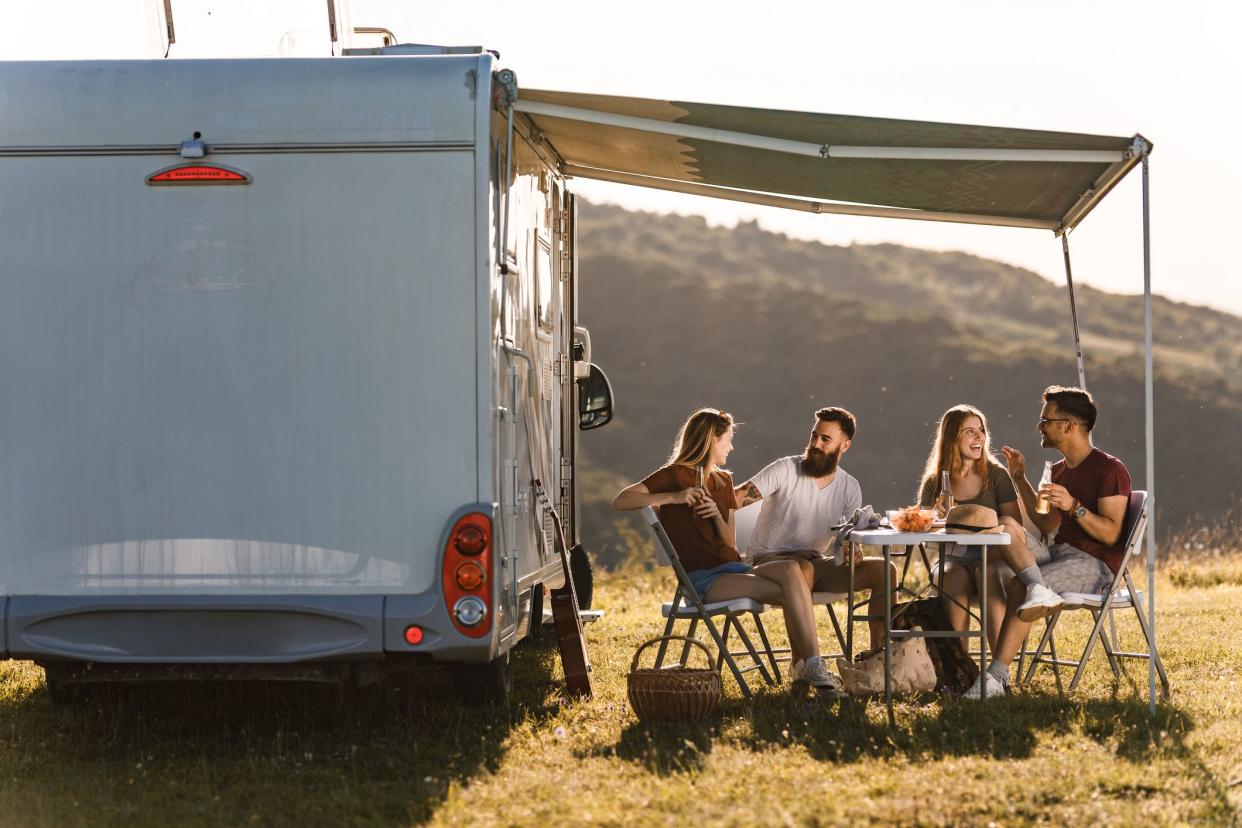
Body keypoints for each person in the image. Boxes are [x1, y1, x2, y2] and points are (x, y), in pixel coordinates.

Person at [612, 408, 839, 688]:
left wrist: (715, 515)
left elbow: (729, 542)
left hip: (735, 568)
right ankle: (811, 668)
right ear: (711, 441)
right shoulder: (674, 475)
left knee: (793, 570)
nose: (731, 447)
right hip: (703, 579)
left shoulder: (724, 481)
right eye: (728, 440)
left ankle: (809, 667)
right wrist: (674, 497)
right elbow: (621, 500)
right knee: (795, 590)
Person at [965, 386, 1133, 699]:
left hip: (1093, 564)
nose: (1039, 427)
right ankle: (996, 661)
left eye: (1046, 421)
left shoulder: (1109, 469)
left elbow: (1110, 534)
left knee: (1019, 585)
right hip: (1057, 553)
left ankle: (995, 678)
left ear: (1069, 426)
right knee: (1002, 535)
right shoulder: (1057, 470)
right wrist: (1019, 479)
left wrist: (1074, 506)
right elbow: (1046, 523)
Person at [733, 407, 897, 654]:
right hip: (768, 564)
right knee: (803, 568)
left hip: (813, 562)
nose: (816, 443)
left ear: (844, 446)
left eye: (825, 439)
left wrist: (853, 552)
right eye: (814, 435)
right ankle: (805, 664)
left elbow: (847, 540)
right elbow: (734, 499)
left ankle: (881, 656)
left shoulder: (850, 488)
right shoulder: (786, 469)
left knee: (884, 570)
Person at [916, 404, 1064, 653]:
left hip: (994, 557)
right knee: (951, 576)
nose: (979, 437)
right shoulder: (936, 482)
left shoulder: (996, 475)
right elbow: (924, 531)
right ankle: (959, 666)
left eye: (981, 430)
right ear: (953, 437)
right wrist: (935, 518)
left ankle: (998, 667)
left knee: (986, 571)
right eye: (969, 431)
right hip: (954, 556)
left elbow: (1011, 527)